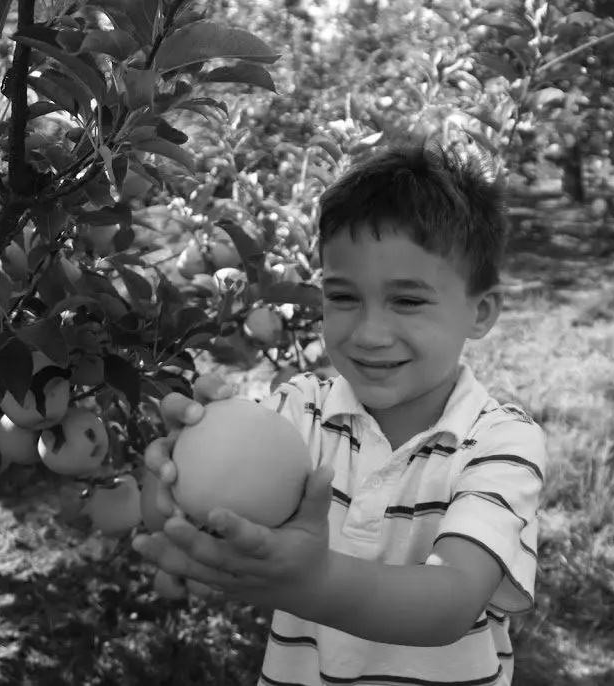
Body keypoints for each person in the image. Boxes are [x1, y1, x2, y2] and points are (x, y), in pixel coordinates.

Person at [133, 142, 548, 686]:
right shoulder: (298, 410)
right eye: (343, 297)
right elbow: (182, 524)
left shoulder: (499, 441)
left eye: (408, 301)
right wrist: (169, 472)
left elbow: (450, 602)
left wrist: (312, 580)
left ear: (481, 311)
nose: (369, 334)